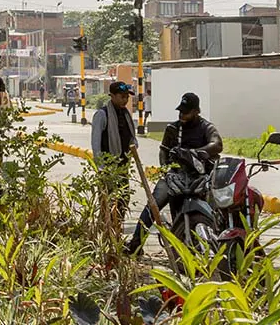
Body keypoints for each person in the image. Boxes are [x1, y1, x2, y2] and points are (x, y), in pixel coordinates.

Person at [126, 92, 222, 254]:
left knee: (217, 207)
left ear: (196, 111)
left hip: (199, 176)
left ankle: (218, 244)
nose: (182, 115)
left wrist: (195, 152)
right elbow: (163, 151)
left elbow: (217, 144)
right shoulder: (173, 129)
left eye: (186, 112)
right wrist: (166, 171)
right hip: (175, 175)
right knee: (153, 205)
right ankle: (135, 243)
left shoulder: (206, 127)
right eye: (180, 111)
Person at [90, 81, 138, 217]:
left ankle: (117, 229)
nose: (125, 100)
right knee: (108, 202)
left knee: (123, 199)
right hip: (107, 169)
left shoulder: (126, 114)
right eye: (122, 97)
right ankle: (106, 232)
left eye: (127, 97)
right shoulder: (102, 115)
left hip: (122, 167)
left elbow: (131, 137)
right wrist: (101, 167)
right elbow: (96, 143)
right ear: (112, 96)